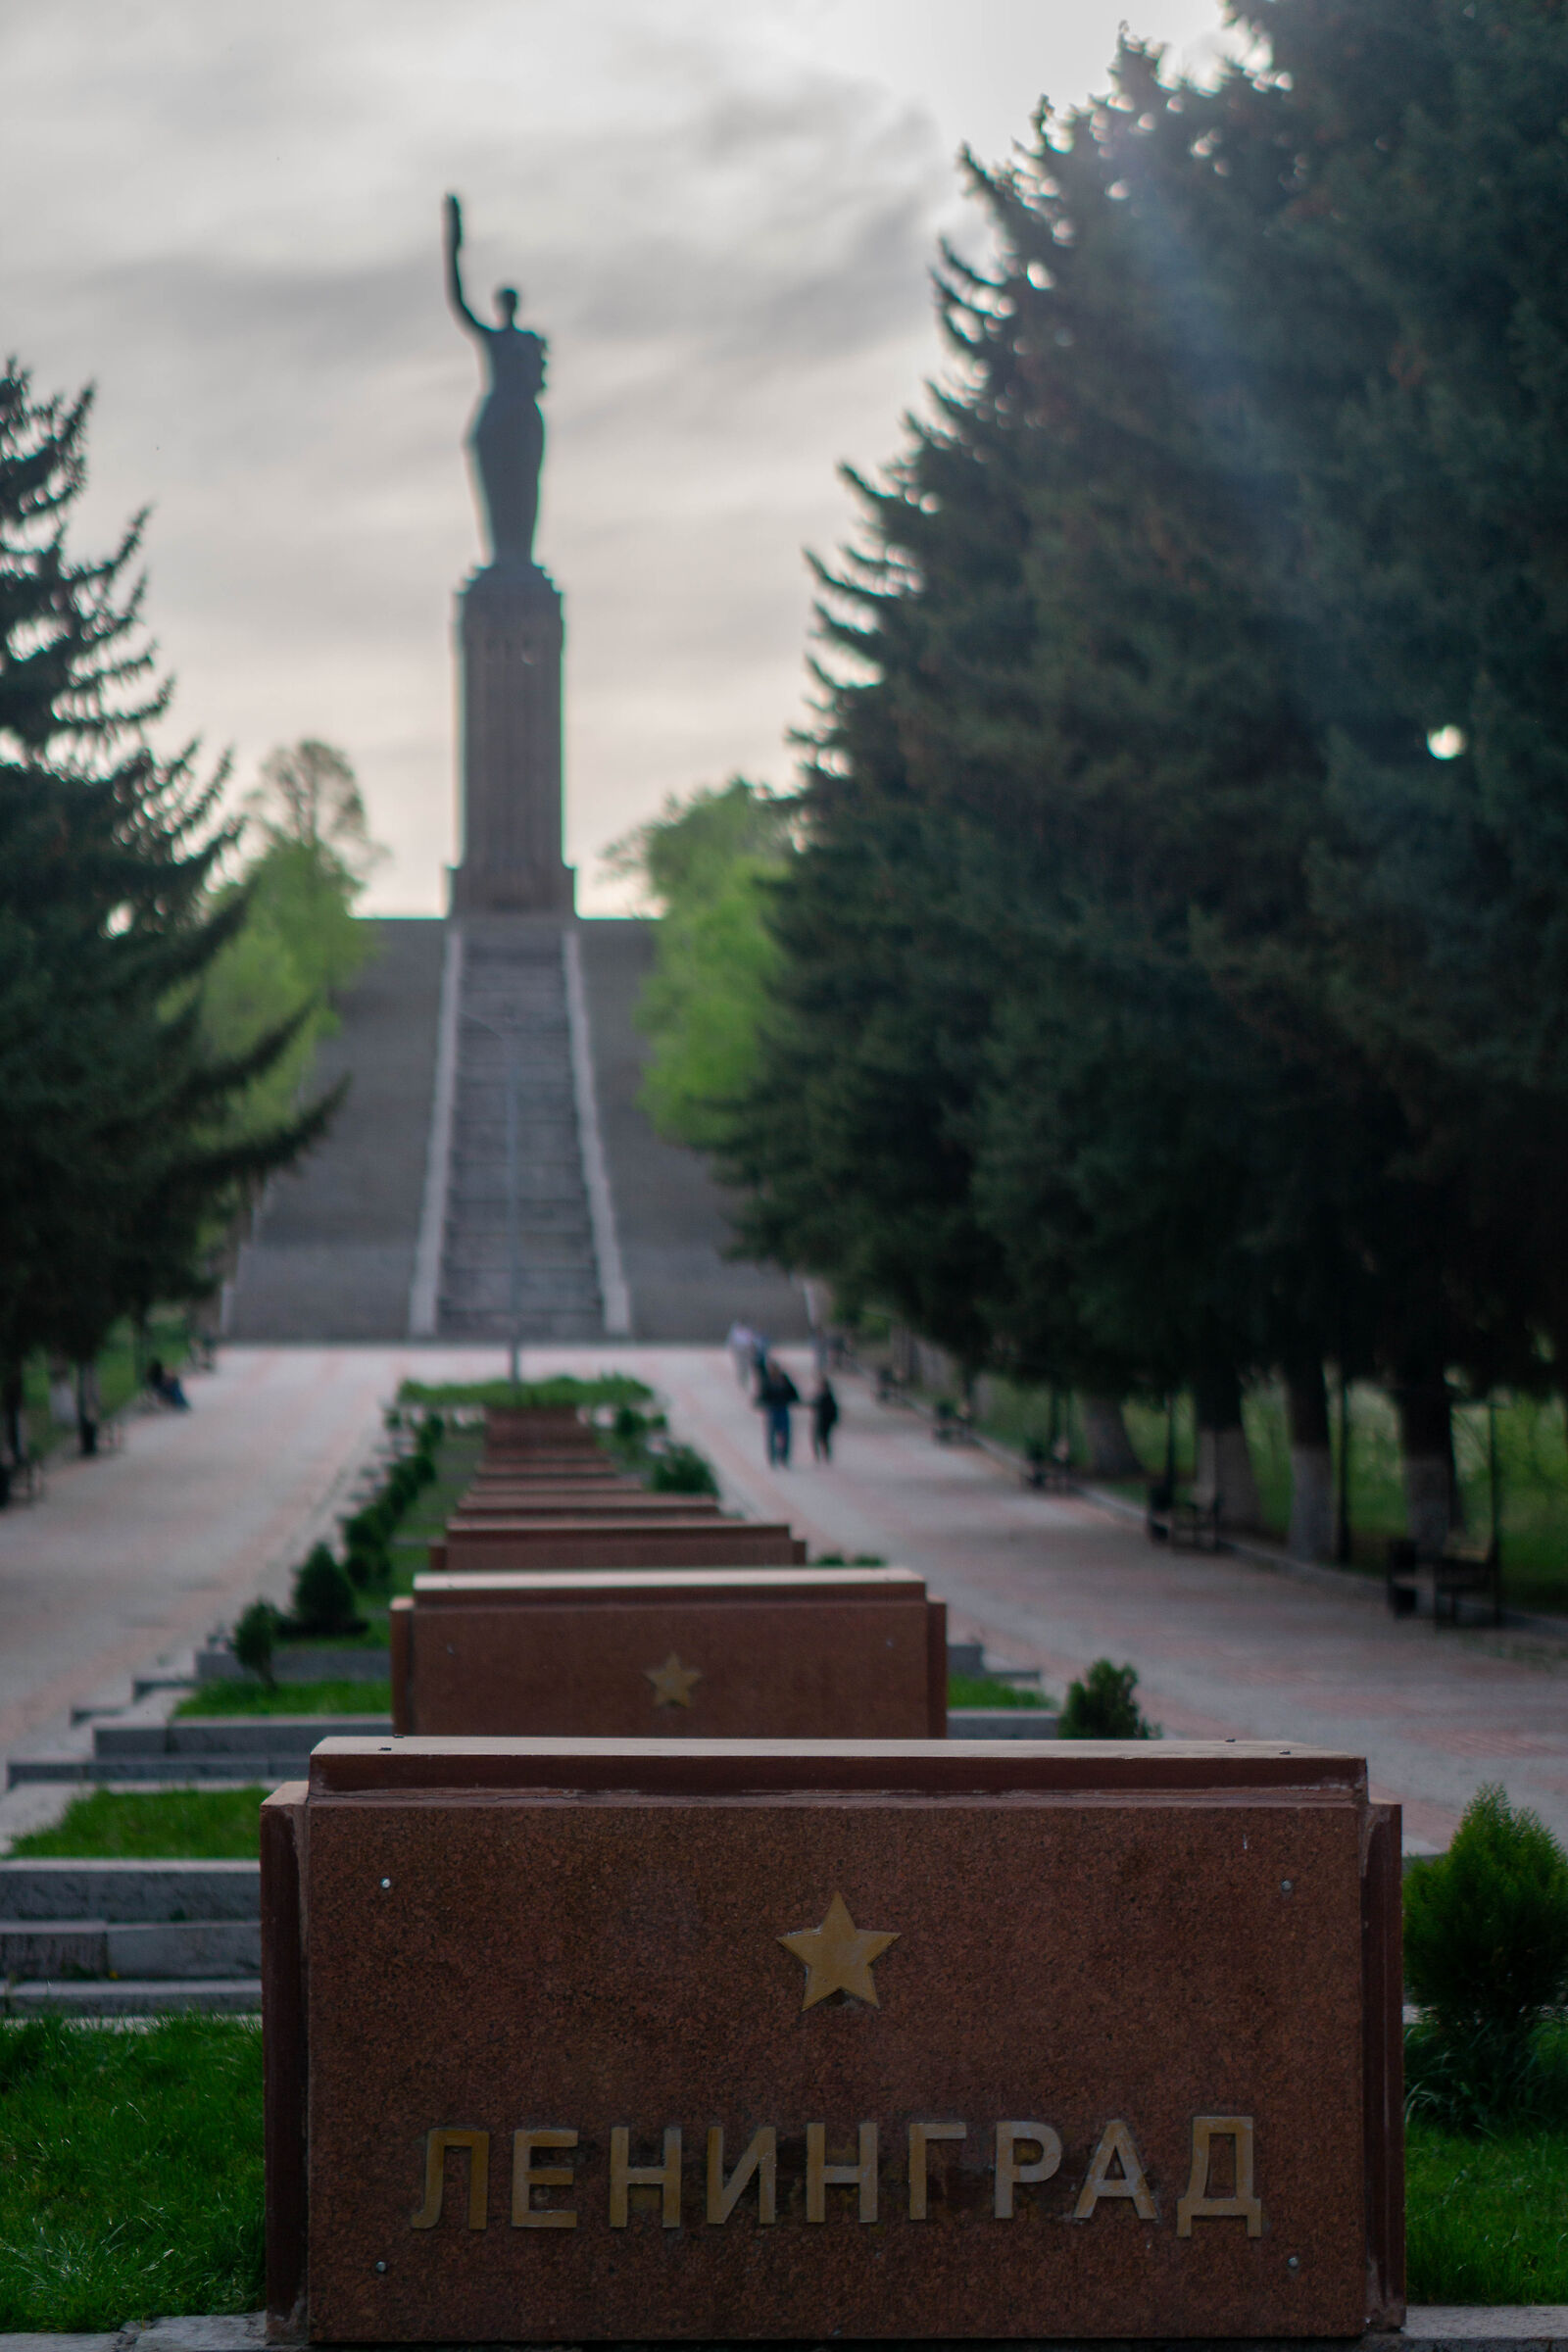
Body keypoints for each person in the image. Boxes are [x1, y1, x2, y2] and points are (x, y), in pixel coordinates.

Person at [756, 1356, 800, 1468]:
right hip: (772, 1410)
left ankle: (783, 1456)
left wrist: (792, 1399)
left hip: (783, 1409)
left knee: (785, 1434)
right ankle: (773, 1457)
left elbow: (794, 1392)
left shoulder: (784, 1379)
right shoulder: (767, 1380)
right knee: (771, 1435)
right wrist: (761, 1402)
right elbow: (762, 1394)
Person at [810, 1378, 840, 1464]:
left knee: (824, 1438)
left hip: (826, 1421)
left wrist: (833, 1420)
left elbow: (833, 1410)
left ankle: (825, 1455)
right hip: (819, 1419)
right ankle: (817, 1455)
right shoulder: (819, 1396)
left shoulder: (829, 1397)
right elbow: (814, 1405)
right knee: (816, 1438)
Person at [726, 1321, 757, 1393]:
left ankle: (745, 1379)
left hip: (746, 1351)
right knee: (740, 1365)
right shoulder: (735, 1332)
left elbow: (751, 1340)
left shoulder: (747, 1331)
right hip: (739, 1351)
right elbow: (732, 1341)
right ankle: (741, 1379)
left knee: (746, 1366)